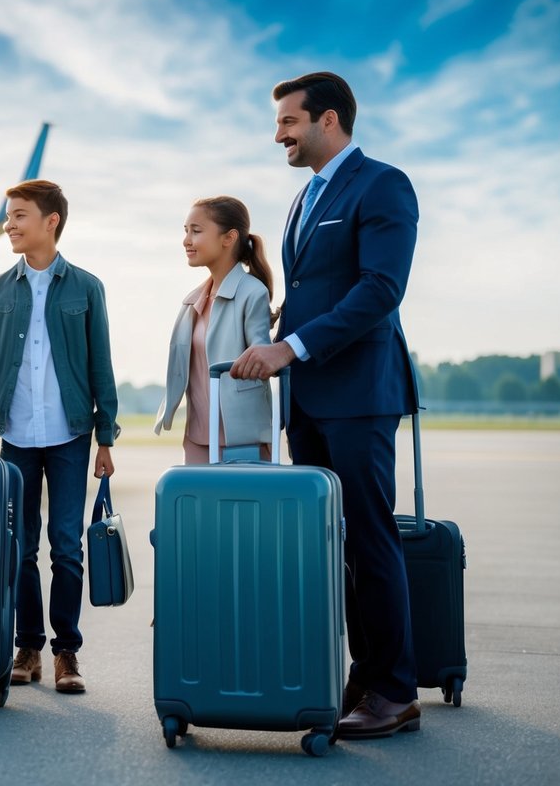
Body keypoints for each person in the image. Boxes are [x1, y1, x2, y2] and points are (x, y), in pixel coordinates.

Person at [230, 71, 421, 739]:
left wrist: (292, 348)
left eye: (287, 121)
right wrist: (266, 336)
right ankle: (363, 677)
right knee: (333, 545)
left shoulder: (381, 184)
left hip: (357, 393)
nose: (277, 133)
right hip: (307, 399)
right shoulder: (303, 198)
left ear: (328, 121)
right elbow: (313, 288)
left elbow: (379, 290)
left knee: (370, 537)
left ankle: (395, 692)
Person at [0, 179, 118, 694]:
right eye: (9, 217)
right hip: (16, 434)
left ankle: (67, 654)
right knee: (18, 549)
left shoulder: (85, 287)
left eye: (18, 216)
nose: (9, 226)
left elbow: (101, 366)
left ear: (51, 221)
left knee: (66, 547)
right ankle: (29, 646)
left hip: (70, 435)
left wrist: (106, 437)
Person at [153, 196, 274, 463]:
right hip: (197, 437)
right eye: (185, 231)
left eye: (196, 231)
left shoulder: (252, 293)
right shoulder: (192, 300)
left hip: (241, 438)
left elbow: (263, 355)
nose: (186, 240)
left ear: (228, 238)